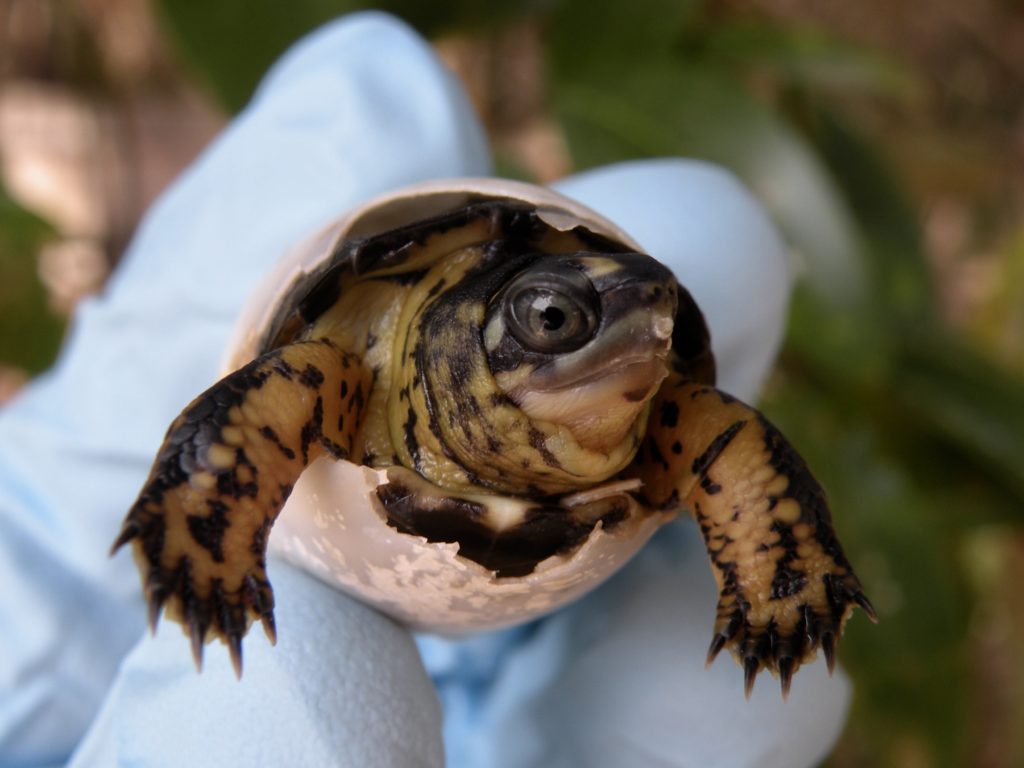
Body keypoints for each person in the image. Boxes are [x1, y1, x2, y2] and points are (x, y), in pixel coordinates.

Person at [0, 12, 850, 767]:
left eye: (653, 324)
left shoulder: (665, 416)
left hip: (544, 561)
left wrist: (778, 578)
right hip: (332, 528)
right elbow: (267, 402)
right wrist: (203, 536)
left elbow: (724, 442)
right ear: (470, 337)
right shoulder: (345, 369)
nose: (638, 339)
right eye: (557, 318)